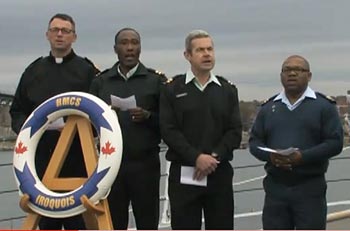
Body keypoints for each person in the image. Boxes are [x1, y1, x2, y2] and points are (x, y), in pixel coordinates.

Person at [10, 13, 99, 230]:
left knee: (77, 223)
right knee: (47, 223)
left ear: (74, 37)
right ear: (47, 35)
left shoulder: (87, 72)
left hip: (77, 161)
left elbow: (99, 114)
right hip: (41, 160)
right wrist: (32, 129)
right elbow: (18, 112)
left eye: (65, 31)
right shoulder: (33, 71)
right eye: (55, 30)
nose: (60, 35)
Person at [159, 29, 242, 230]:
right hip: (185, 173)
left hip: (218, 172)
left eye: (210, 49)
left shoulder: (227, 90)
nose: (207, 54)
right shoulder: (172, 89)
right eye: (200, 50)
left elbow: (234, 131)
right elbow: (168, 130)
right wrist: (196, 157)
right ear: (187, 55)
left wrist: (213, 156)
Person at [249, 55, 343, 230]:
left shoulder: (324, 107)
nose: (292, 73)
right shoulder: (268, 108)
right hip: (275, 190)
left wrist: (302, 157)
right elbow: (254, 142)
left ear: (309, 76)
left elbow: (335, 143)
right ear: (281, 76)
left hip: (310, 189)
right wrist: (271, 156)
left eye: (298, 70)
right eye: (287, 70)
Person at [89, 27, 167, 230]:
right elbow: (88, 123)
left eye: (134, 43)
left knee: (147, 222)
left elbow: (169, 123)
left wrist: (148, 116)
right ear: (116, 48)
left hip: (145, 165)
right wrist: (105, 114)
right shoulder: (101, 82)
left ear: (140, 48)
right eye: (124, 43)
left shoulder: (155, 81)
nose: (130, 48)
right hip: (111, 166)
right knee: (113, 223)